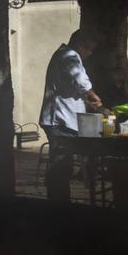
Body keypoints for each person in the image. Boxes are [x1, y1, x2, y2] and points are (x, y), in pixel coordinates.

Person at [38, 30, 102, 202]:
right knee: (61, 167)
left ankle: (59, 202)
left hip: (64, 120)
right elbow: (82, 83)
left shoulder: (67, 55)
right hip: (59, 120)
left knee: (63, 167)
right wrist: (97, 102)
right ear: (81, 44)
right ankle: (59, 205)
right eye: (90, 49)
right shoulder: (69, 55)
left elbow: (73, 87)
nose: (90, 53)